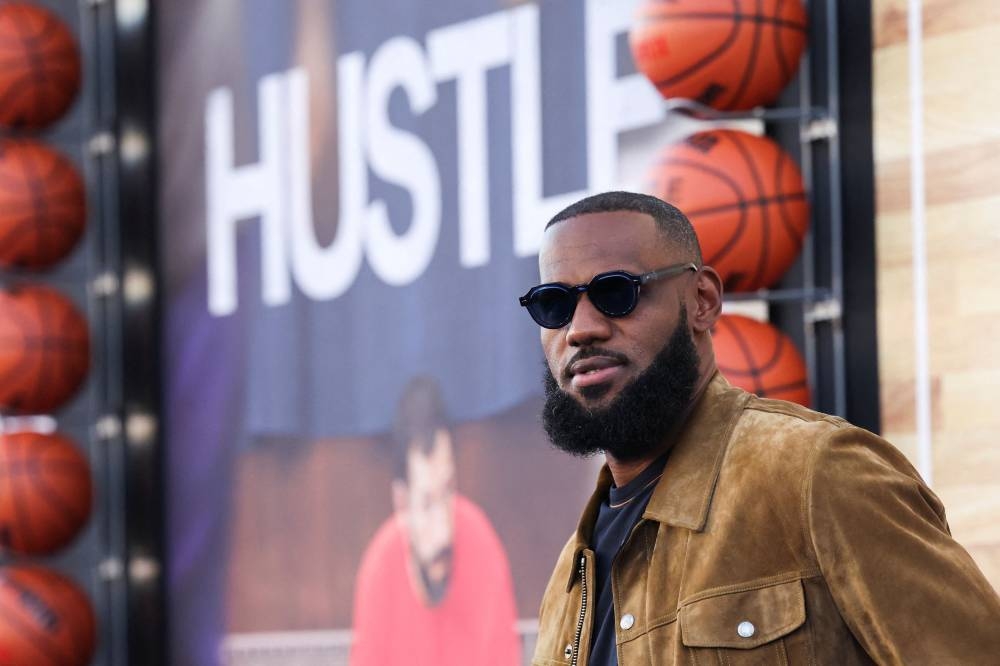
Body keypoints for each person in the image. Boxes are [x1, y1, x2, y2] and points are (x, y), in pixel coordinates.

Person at [521, 191, 1000, 665]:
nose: (580, 328)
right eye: (553, 305)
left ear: (703, 301)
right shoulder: (567, 580)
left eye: (615, 292)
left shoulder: (817, 471)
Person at [350, 376, 520, 666]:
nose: (444, 529)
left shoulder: (480, 541)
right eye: (428, 503)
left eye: (447, 491)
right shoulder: (380, 567)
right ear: (402, 503)